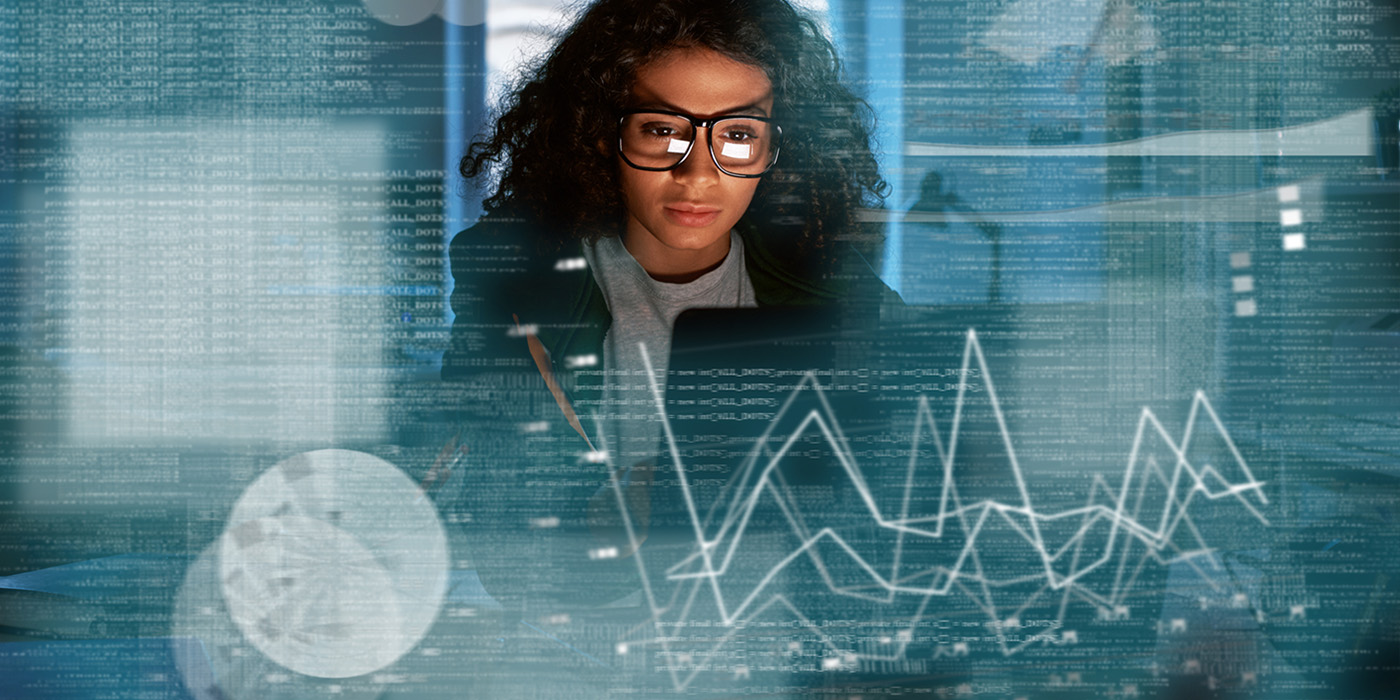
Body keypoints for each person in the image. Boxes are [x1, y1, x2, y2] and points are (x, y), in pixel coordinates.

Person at [440, 0, 898, 616]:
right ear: (604, 134)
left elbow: (898, 510)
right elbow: (504, 545)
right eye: (663, 130)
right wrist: (617, 516)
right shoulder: (515, 286)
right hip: (599, 640)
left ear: (776, 150)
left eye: (737, 134)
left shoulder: (832, 287)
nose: (698, 175)